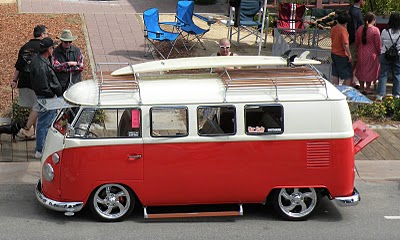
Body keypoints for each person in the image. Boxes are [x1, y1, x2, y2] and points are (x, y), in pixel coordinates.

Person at [10, 25, 49, 139]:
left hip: (24, 81)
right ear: (42, 35)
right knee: (37, 107)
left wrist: (14, 80)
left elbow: (19, 66)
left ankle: (34, 132)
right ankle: (29, 130)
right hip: (37, 82)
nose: (47, 36)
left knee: (34, 107)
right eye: (46, 34)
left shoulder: (24, 47)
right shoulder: (43, 48)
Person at [30, 37, 62, 159]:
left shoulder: (38, 60)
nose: (53, 49)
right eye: (52, 47)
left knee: (46, 123)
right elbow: (43, 86)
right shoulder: (41, 65)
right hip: (47, 98)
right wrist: (53, 95)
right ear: (48, 50)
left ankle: (42, 147)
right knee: (44, 124)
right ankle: (40, 149)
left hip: (45, 96)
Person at [354, 12, 381, 94]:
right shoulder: (375, 30)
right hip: (372, 53)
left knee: (361, 69)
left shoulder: (359, 29)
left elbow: (357, 42)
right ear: (373, 20)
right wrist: (379, 52)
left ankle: (361, 88)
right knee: (370, 70)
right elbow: (378, 44)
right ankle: (368, 88)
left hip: (361, 52)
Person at [376, 13, 400, 101]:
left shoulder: (384, 31)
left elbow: (381, 42)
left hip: (385, 54)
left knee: (383, 74)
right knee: (397, 74)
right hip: (398, 55)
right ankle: (396, 95)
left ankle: (380, 95)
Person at [330, 12, 352, 86]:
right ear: (346, 22)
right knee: (347, 75)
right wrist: (349, 55)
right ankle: (345, 90)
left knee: (335, 74)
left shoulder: (333, 28)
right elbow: (345, 44)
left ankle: (336, 88)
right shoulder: (343, 30)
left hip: (333, 52)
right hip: (341, 54)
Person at [348, 0, 365, 88]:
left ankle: (352, 80)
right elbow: (354, 27)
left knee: (355, 61)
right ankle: (351, 80)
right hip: (354, 39)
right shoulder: (355, 11)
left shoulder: (353, 10)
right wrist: (356, 39)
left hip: (354, 38)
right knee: (353, 60)